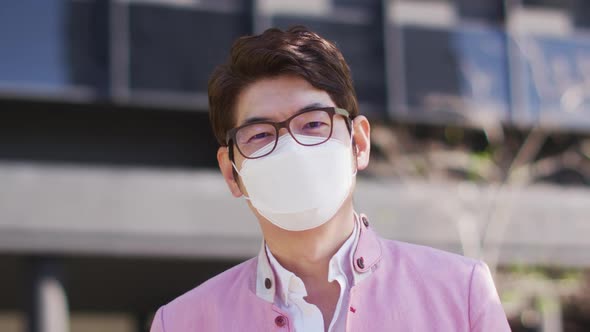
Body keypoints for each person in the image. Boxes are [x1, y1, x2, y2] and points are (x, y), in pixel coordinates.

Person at [149, 26, 511, 332]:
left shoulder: (460, 294)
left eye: (313, 124)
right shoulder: (181, 323)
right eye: (260, 134)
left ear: (359, 143)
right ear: (231, 172)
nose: (291, 148)